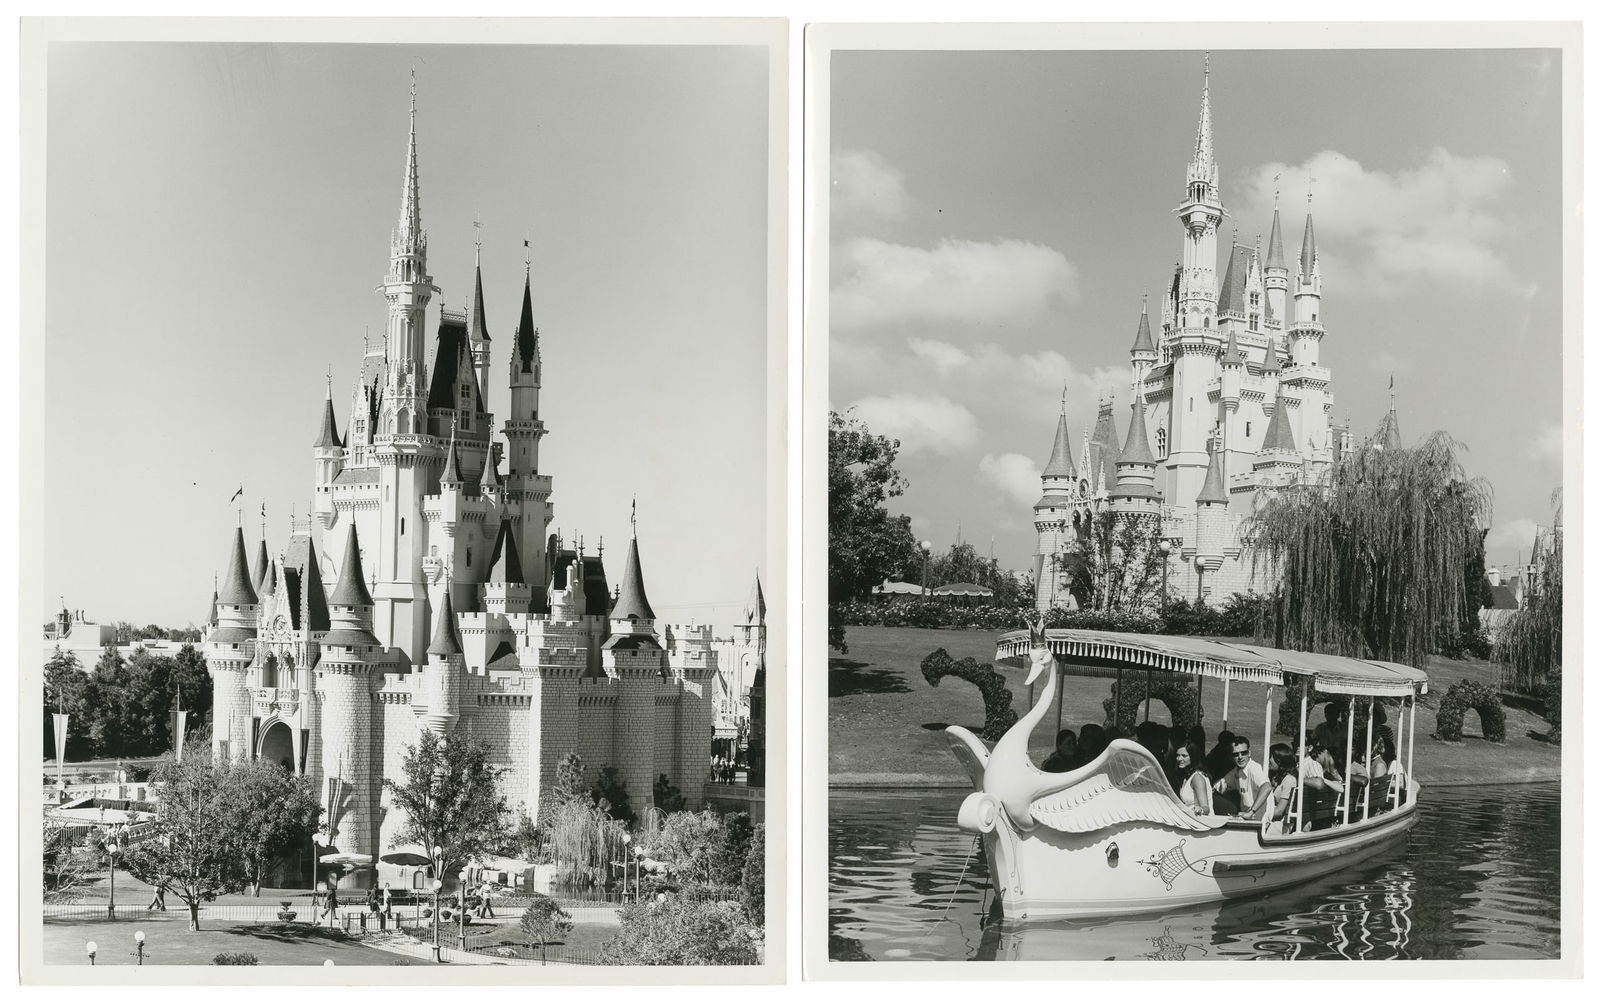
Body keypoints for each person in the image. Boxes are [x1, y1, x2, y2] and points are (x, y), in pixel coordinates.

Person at [1212, 735, 1270, 818]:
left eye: (1243, 753)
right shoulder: (1237, 771)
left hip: (1260, 823)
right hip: (1245, 819)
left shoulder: (1254, 768)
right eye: (1236, 754)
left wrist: (1251, 812)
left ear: (1249, 753)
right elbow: (1218, 786)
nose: (1240, 757)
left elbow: (1267, 787)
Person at [1173, 743, 1212, 815]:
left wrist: (1200, 810)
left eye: (1184, 756)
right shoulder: (1186, 777)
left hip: (1202, 822)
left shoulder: (1197, 777)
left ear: (1193, 757)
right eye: (1178, 755)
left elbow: (1206, 808)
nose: (1179, 759)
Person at [1267, 743, 1299, 825]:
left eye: (1270, 757)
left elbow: (1279, 811)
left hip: (1281, 824)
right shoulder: (1276, 777)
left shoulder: (1289, 780)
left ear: (1279, 760)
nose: (1268, 760)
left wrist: (1257, 815)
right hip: (1272, 820)